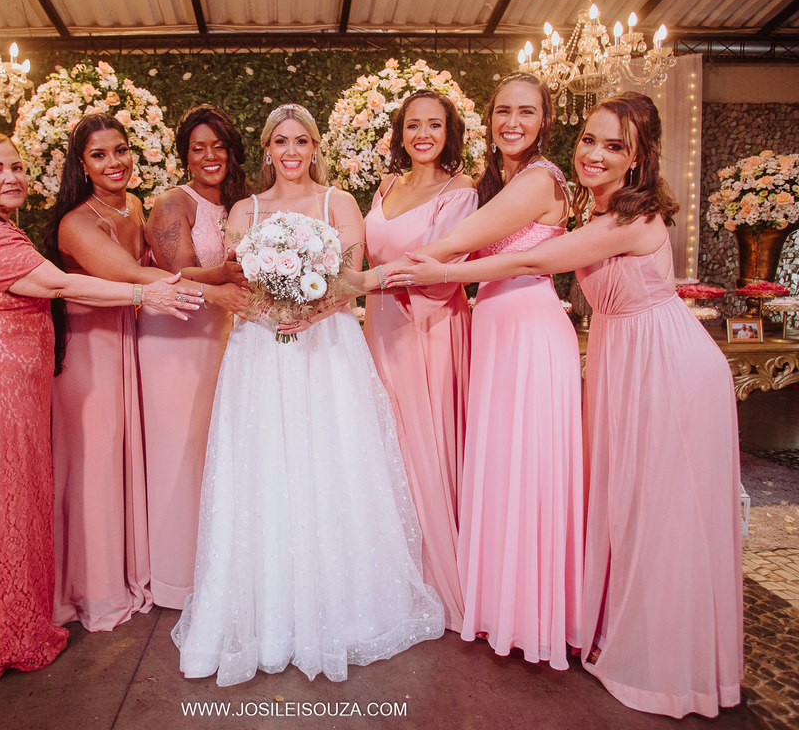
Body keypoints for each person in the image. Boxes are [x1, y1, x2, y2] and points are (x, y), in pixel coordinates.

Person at [389, 92, 743, 718]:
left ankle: (668, 665)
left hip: (668, 365)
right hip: (622, 357)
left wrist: (424, 268)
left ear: (639, 159)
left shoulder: (630, 220)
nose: (596, 155)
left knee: (664, 512)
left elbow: (531, 258)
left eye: (615, 147)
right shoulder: (596, 209)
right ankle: (620, 631)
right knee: (626, 503)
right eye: (591, 141)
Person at [172, 103, 444, 686]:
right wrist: (276, 315)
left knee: (332, 463)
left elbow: (349, 274)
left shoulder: (337, 203)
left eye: (301, 140)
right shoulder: (245, 208)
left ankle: (344, 614)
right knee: (264, 467)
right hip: (259, 352)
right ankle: (268, 619)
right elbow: (242, 277)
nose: (291, 151)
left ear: (315, 146)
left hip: (328, 346)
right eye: (280, 141)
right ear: (267, 149)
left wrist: (308, 312)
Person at [0, 130, 199, 679]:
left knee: (4, 503)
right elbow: (57, 286)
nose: (11, 178)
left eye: (15, 166)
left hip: (3, 380)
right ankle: (6, 635)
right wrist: (141, 293)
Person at [354, 73, 583, 669]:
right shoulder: (497, 181)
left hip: (528, 329)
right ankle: (501, 604)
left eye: (526, 112)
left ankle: (533, 616)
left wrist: (359, 283)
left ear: (544, 120)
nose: (513, 121)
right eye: (503, 110)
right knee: (498, 470)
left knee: (527, 471)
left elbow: (455, 247)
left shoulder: (540, 179)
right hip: (493, 328)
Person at [44, 113, 203, 632]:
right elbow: (136, 274)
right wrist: (215, 287)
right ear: (81, 165)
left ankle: (133, 569)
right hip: (90, 356)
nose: (115, 162)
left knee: (124, 462)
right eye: (99, 155)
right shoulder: (77, 223)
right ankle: (93, 589)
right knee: (95, 469)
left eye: (121, 150)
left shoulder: (134, 205)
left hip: (128, 346)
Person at [359, 89, 476, 632]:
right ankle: (388, 567)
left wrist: (374, 285)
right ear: (399, 134)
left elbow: (446, 262)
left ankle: (434, 571)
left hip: (426, 322)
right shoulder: (386, 186)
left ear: (448, 131)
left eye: (433, 124)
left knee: (423, 437)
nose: (422, 134)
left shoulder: (462, 192)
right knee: (382, 438)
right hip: (377, 321)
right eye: (412, 126)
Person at [138, 105, 250, 609]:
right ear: (185, 155)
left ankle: (221, 571)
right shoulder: (170, 205)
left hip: (229, 338)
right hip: (176, 341)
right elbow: (175, 275)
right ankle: (177, 580)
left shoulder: (245, 204)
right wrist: (227, 276)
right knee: (179, 457)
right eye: (198, 147)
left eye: (218, 145)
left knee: (219, 455)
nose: (210, 156)